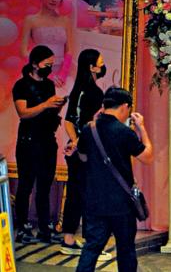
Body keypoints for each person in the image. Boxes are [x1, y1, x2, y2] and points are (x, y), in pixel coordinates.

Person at [75, 88, 153, 272]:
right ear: (125, 106)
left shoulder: (88, 129)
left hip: (94, 200)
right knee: (126, 249)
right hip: (121, 203)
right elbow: (147, 157)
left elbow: (82, 156)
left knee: (91, 248)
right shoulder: (124, 132)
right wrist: (141, 128)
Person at [61, 49, 111, 259]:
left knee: (74, 193)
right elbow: (92, 124)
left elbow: (69, 121)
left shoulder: (77, 90)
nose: (103, 66)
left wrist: (74, 141)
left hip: (75, 150)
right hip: (88, 151)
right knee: (91, 196)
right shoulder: (95, 93)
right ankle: (93, 244)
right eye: (100, 63)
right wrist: (80, 143)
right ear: (92, 68)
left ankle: (68, 239)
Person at [13, 45, 66, 244]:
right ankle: (23, 227)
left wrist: (56, 106)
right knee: (25, 185)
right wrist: (45, 104)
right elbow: (23, 113)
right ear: (35, 64)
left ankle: (45, 228)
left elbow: (48, 111)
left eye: (52, 64)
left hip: (47, 140)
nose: (50, 68)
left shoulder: (49, 85)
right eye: (47, 64)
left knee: (44, 186)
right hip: (28, 141)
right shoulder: (21, 85)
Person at [20, 0, 74, 85]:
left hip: (60, 75)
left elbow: (69, 50)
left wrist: (62, 75)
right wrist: (46, 75)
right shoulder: (30, 20)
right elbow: (23, 51)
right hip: (38, 73)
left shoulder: (65, 21)